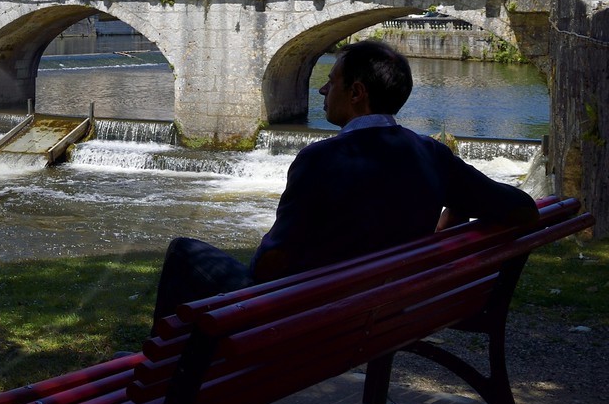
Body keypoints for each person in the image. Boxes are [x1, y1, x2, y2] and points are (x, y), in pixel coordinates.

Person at [152, 40, 537, 324]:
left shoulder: (320, 159)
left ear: (356, 93)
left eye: (331, 81)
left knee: (184, 252)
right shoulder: (430, 154)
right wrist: (453, 213)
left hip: (307, 318)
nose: (321, 89)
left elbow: (272, 262)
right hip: (381, 311)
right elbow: (522, 207)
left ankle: (165, 377)